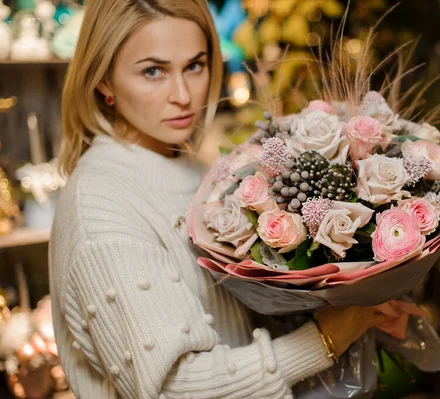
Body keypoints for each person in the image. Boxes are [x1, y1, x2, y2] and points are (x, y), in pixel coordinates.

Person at [49, 1, 393, 398]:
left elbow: (238, 325)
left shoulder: (193, 167)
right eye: (153, 71)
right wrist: (326, 339)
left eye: (195, 65)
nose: (182, 95)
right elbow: (174, 388)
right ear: (103, 81)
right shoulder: (100, 205)